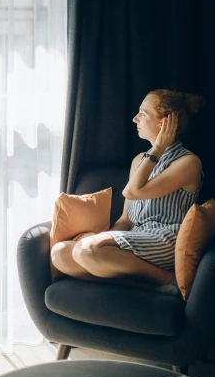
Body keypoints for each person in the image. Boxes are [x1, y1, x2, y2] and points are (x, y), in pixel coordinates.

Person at [51, 89, 205, 288]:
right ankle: (140, 284)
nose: (135, 119)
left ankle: (167, 280)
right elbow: (126, 219)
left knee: (85, 250)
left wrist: (158, 149)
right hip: (135, 237)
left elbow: (132, 192)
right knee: (60, 253)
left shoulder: (188, 163)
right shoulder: (139, 161)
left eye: (143, 113)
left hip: (163, 240)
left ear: (164, 123)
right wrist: (104, 238)